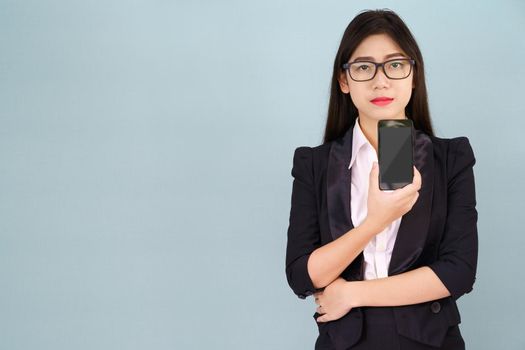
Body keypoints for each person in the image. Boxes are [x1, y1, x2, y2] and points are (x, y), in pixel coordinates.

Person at [285, 9, 478, 350]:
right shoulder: (313, 164)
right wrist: (375, 222)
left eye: (395, 64)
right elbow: (302, 275)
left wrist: (351, 294)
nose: (381, 81)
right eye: (363, 67)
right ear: (344, 81)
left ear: (413, 75)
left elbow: (458, 271)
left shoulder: (451, 158)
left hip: (430, 341)